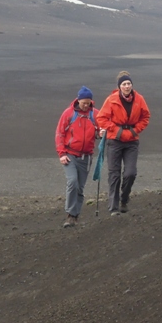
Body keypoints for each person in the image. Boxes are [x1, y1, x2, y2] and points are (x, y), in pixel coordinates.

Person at [96, 71, 151, 216]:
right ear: (119, 86)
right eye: (124, 84)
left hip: (132, 141)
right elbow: (101, 118)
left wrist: (135, 130)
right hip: (114, 141)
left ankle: (124, 199)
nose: (127, 86)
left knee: (130, 173)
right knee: (114, 175)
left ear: (132, 85)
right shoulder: (111, 99)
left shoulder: (139, 99)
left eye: (129, 84)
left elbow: (145, 116)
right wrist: (116, 130)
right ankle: (113, 208)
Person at [55, 86, 100, 227]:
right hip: (70, 155)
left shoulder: (95, 114)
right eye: (84, 103)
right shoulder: (69, 113)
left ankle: (75, 215)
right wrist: (62, 153)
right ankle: (70, 214)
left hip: (86, 157)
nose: (86, 105)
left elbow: (102, 129)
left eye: (88, 103)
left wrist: (102, 133)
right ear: (78, 100)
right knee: (72, 182)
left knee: (80, 187)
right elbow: (60, 133)